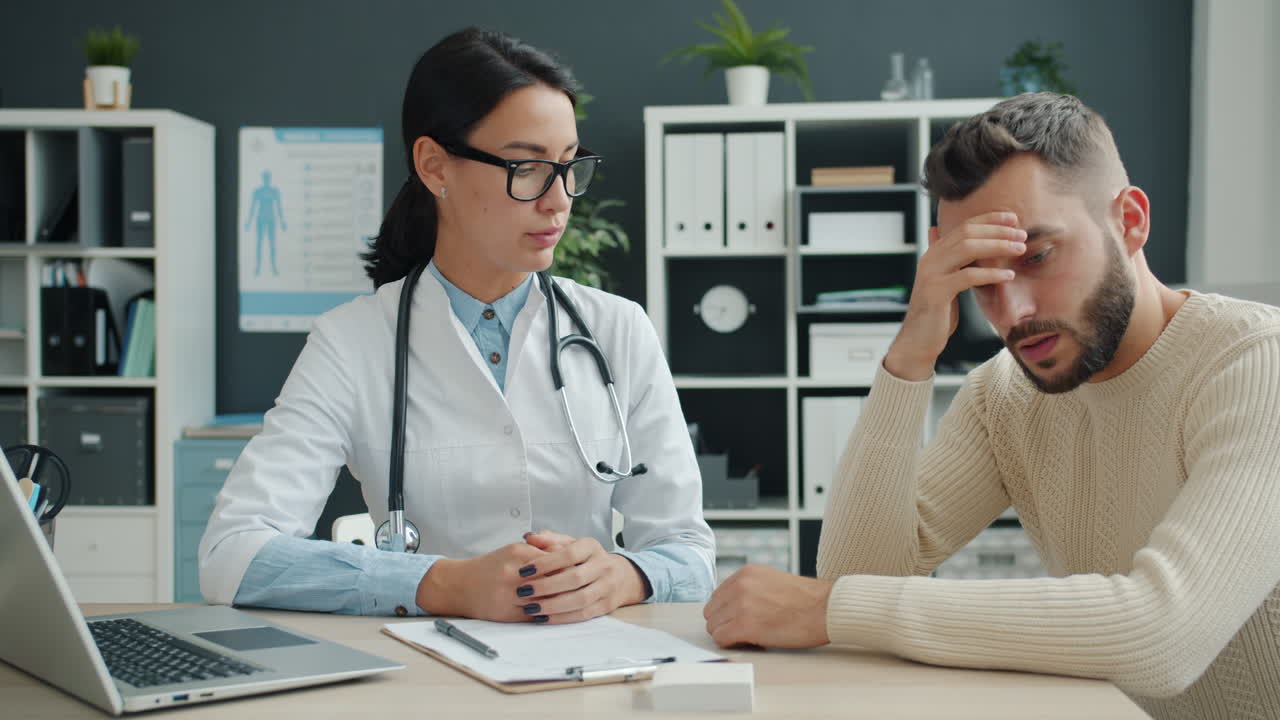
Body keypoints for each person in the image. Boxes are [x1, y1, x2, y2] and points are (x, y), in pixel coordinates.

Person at [703, 93, 1280, 718]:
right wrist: (911, 355)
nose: (1014, 312)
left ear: (1130, 221)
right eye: (982, 276)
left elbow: (1166, 634)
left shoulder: (1256, 364)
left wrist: (828, 609)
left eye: (1037, 256)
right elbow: (863, 571)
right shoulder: (1004, 394)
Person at [200, 27, 715, 624]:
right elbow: (230, 555)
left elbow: (689, 553)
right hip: (428, 676)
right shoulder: (352, 342)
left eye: (570, 166)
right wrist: (443, 584)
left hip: (591, 668)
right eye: (527, 168)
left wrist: (623, 576)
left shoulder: (618, 329)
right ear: (434, 165)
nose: (559, 201)